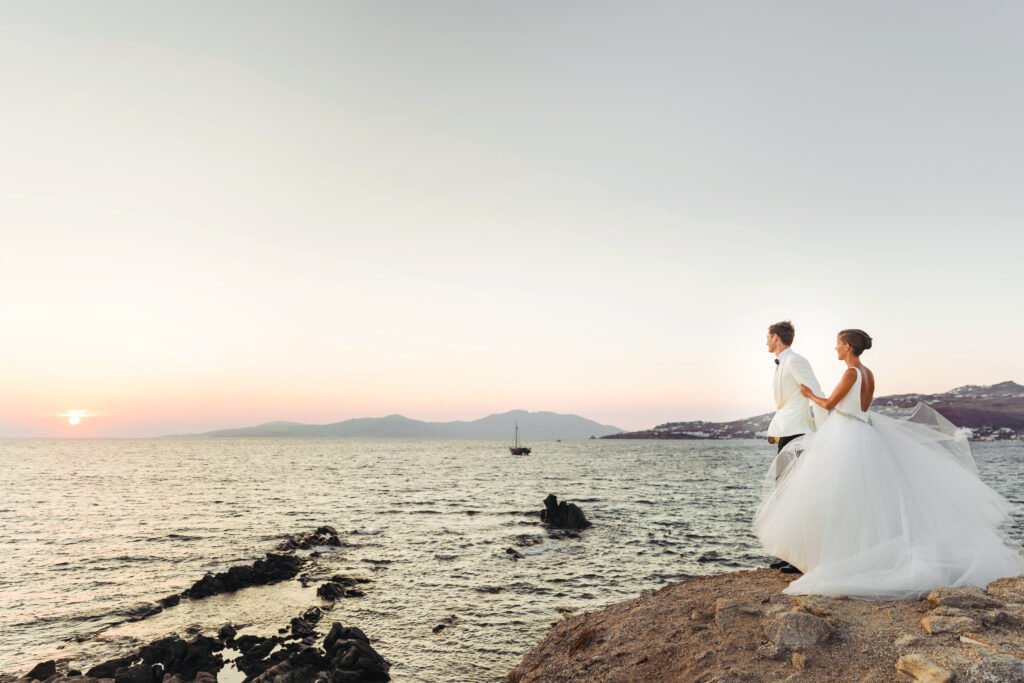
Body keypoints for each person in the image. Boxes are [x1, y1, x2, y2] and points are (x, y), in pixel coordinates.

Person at [754, 329, 1024, 599]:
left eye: (838, 344)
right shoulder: (868, 373)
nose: (835, 348)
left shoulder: (851, 373)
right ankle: (859, 550)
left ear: (847, 347)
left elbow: (828, 404)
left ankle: (841, 554)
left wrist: (808, 394)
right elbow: (862, 406)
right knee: (869, 497)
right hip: (864, 431)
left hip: (846, 433)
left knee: (839, 494)